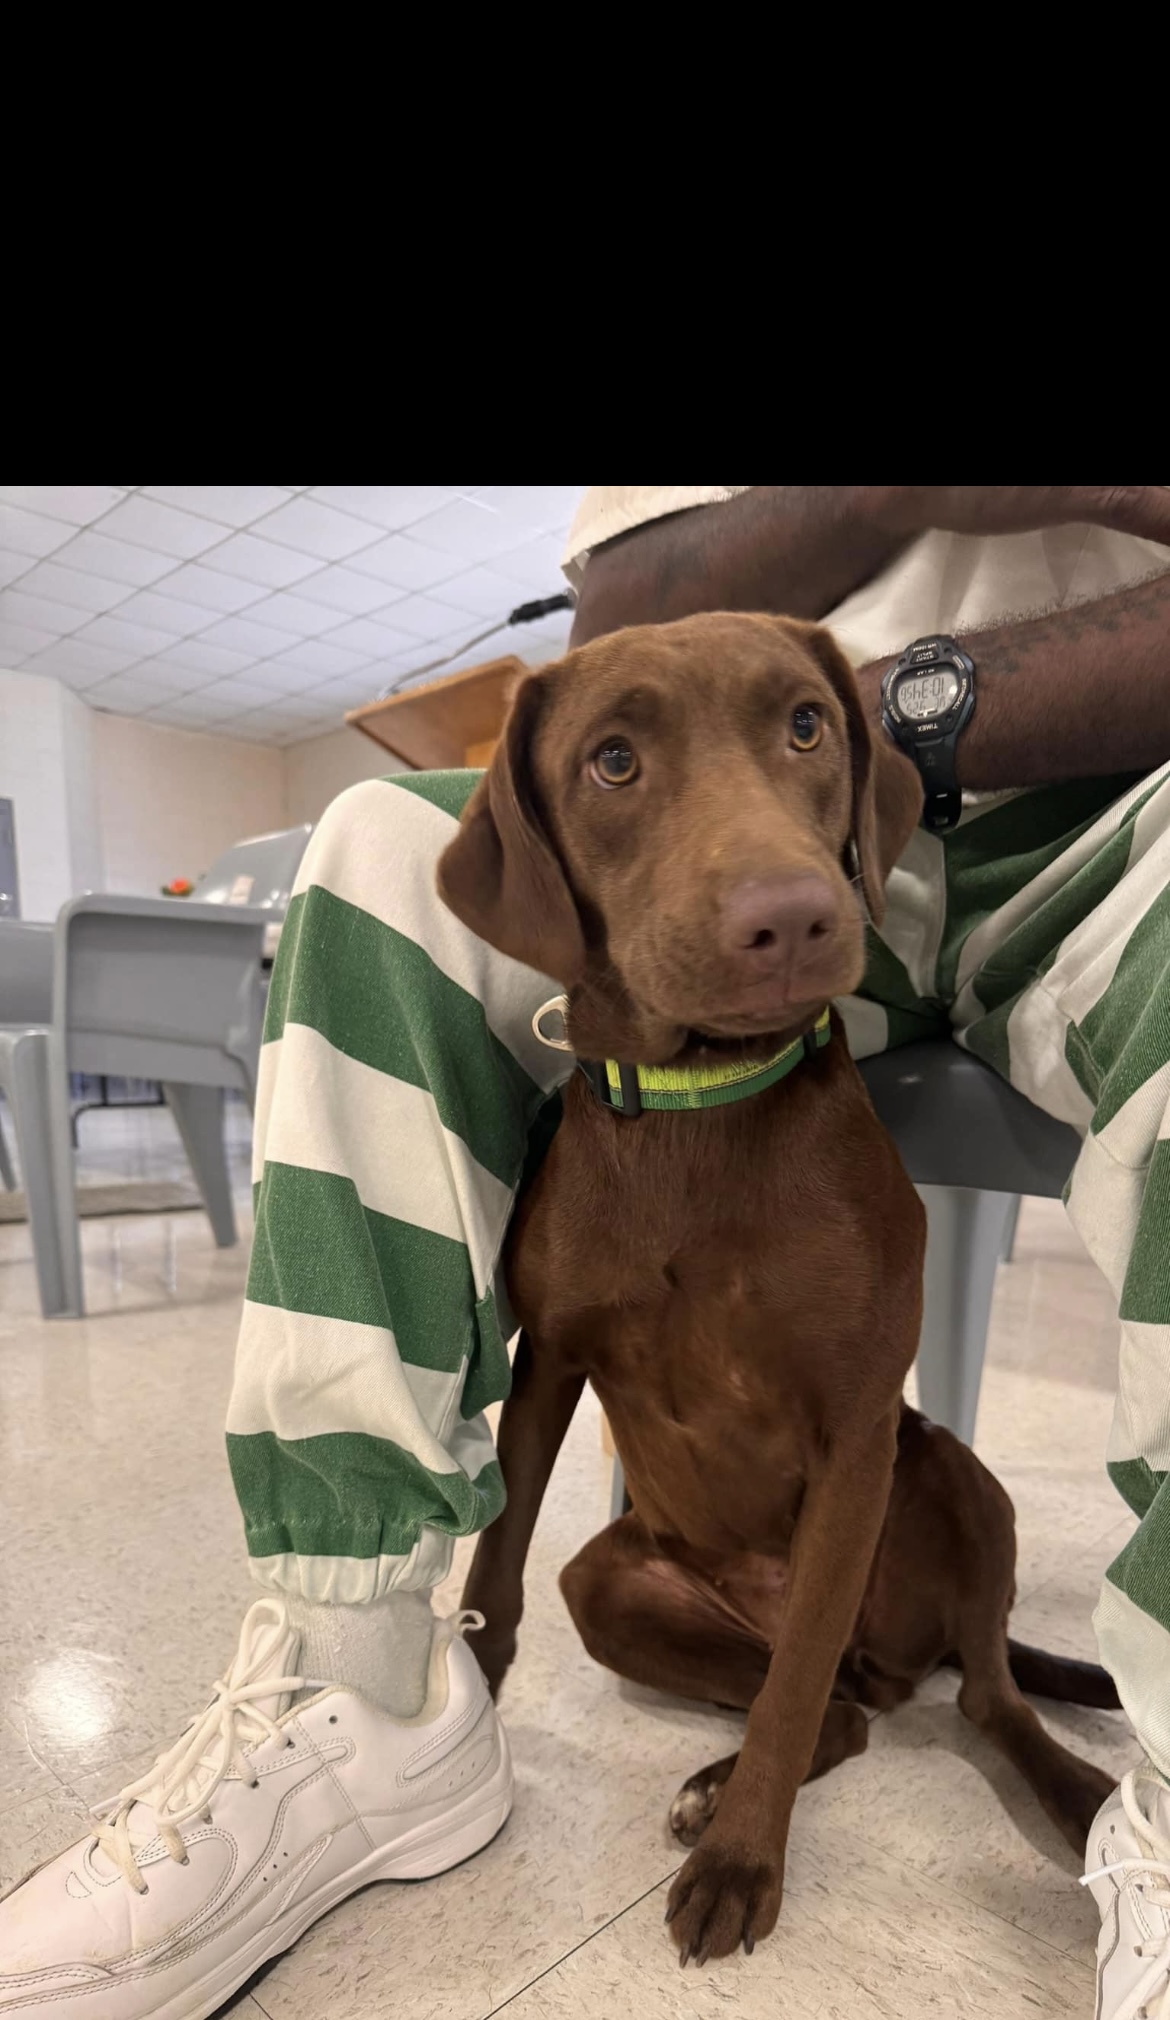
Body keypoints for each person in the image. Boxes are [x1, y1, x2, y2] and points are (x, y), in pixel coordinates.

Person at [3, 485, 1170, 2020]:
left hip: (1109, 805)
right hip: (765, 822)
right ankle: (364, 1685)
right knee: (363, 845)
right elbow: (621, 608)